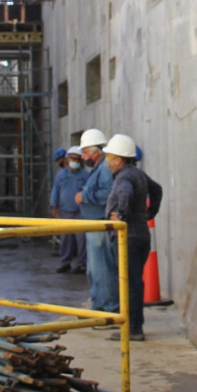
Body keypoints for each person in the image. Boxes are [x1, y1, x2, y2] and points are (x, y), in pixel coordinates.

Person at [102, 133, 162, 341]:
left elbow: (125, 194)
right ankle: (134, 326)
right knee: (134, 282)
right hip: (140, 236)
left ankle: (133, 328)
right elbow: (157, 190)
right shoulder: (138, 173)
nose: (107, 162)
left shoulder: (124, 177)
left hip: (128, 238)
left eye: (109, 157)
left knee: (129, 284)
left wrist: (121, 216)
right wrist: (150, 212)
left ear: (118, 159)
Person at [75, 129, 118, 315]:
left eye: (85, 152)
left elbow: (108, 194)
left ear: (95, 152)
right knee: (94, 271)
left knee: (103, 270)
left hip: (101, 226)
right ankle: (99, 305)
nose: (83, 156)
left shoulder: (105, 169)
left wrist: (84, 196)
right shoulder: (98, 169)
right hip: (94, 226)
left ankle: (108, 308)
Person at [51, 146, 88, 273]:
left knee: (81, 239)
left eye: (78, 159)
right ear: (67, 159)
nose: (75, 161)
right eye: (73, 158)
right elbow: (56, 191)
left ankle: (82, 264)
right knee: (66, 239)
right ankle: (65, 262)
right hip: (65, 211)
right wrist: (54, 207)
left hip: (80, 211)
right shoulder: (60, 175)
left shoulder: (84, 175)